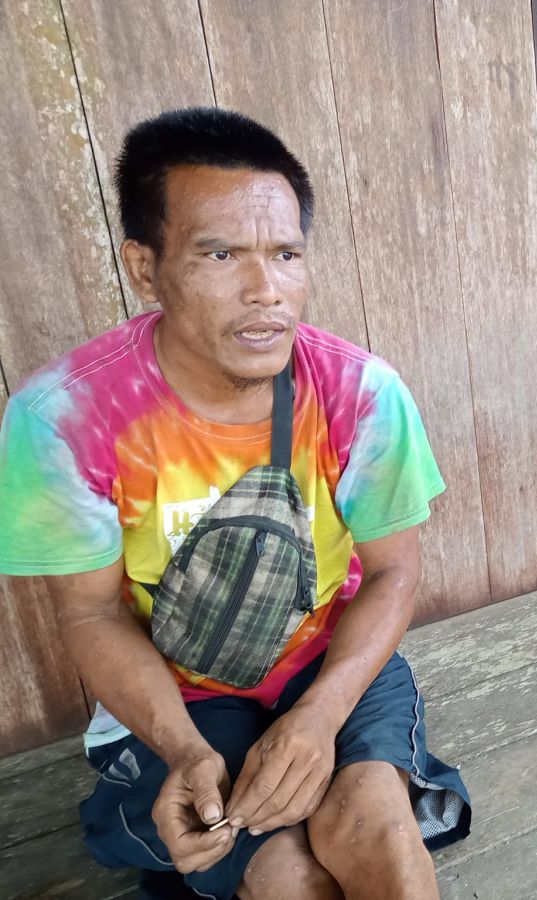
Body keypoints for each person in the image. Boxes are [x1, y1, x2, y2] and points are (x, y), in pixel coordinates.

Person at [0, 109, 469, 899]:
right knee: (288, 876)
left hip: (327, 660)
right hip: (175, 692)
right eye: (220, 254)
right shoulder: (63, 419)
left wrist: (321, 717)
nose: (266, 292)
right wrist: (182, 750)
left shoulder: (360, 391)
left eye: (286, 254)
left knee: (380, 837)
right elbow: (92, 612)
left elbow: (393, 573)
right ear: (145, 268)